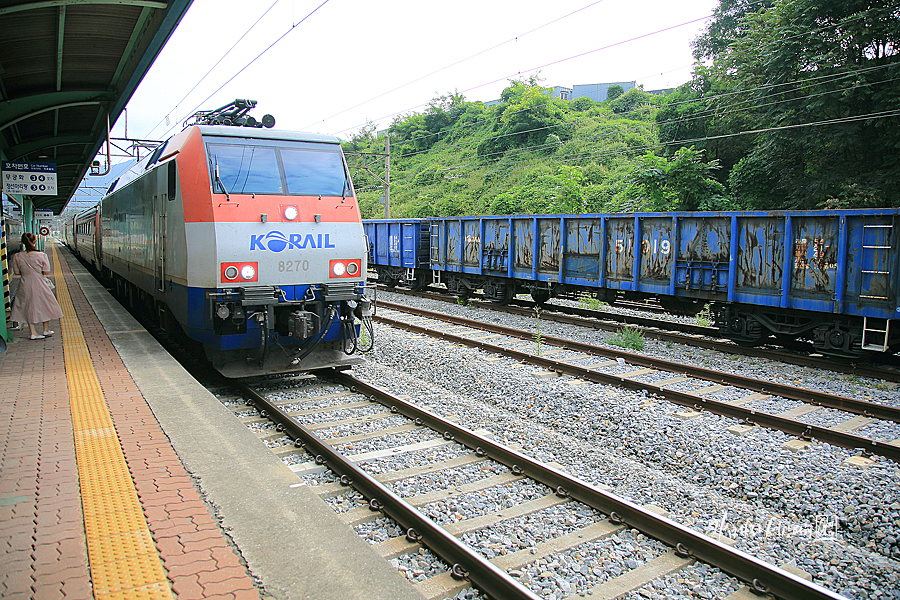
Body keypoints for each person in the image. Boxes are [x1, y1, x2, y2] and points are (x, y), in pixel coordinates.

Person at [10, 232, 64, 340]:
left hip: (25, 283)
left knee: (28, 306)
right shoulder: (41, 255)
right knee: (46, 303)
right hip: (40, 282)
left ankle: (33, 332)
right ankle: (45, 329)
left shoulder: (17, 256)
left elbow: (16, 272)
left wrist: (26, 272)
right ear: (34, 241)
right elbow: (46, 272)